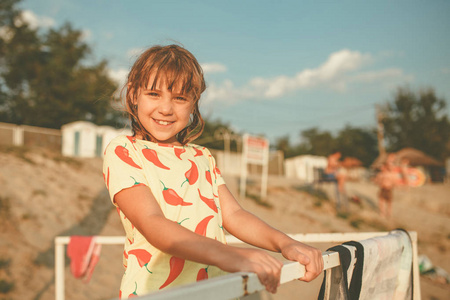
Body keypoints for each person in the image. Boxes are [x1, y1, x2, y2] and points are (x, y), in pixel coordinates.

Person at [103, 44, 323, 298]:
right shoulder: (124, 150)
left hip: (214, 292)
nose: (165, 108)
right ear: (133, 94)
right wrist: (228, 255)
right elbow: (153, 223)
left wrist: (286, 243)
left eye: (180, 98)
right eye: (153, 94)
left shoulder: (202, 156)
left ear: (194, 103)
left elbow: (234, 215)